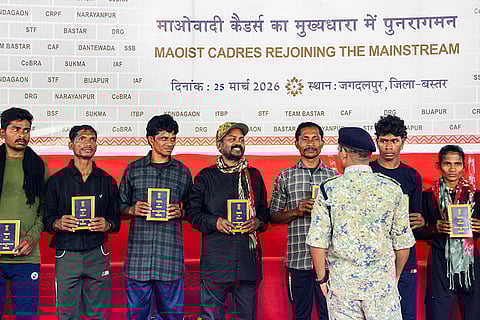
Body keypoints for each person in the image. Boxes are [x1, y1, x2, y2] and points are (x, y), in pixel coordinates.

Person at [306, 127, 415, 320]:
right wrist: (394, 277)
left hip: (343, 288)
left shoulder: (329, 189)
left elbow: (317, 242)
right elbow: (403, 243)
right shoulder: (392, 188)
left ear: (343, 153)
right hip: (381, 287)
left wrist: (322, 279)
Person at [187, 122, 269, 320]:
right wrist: (215, 222)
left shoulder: (254, 176)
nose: (237, 143)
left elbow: (266, 213)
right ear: (219, 145)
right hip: (216, 262)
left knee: (247, 316)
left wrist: (257, 223)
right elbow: (191, 213)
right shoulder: (205, 177)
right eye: (232, 139)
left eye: (241, 139)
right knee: (211, 317)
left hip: (247, 262)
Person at [119, 114, 192, 320]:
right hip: (138, 261)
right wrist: (132, 210)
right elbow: (119, 207)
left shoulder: (183, 172)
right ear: (150, 140)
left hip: (170, 260)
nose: (170, 143)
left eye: (173, 138)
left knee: (173, 317)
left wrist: (181, 212)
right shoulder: (133, 170)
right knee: (136, 316)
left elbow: (193, 210)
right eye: (164, 138)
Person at [43, 125, 120, 320]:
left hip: (97, 251)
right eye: (82, 139)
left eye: (93, 139)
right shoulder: (56, 181)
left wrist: (107, 225)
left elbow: (116, 219)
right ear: (71, 144)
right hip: (67, 252)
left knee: (98, 313)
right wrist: (58, 223)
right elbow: (46, 219)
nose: (88, 143)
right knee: (67, 313)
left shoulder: (107, 181)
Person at [270, 122, 335, 320]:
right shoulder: (285, 176)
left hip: (329, 261)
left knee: (330, 314)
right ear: (296, 143)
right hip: (298, 259)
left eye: (315, 138)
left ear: (323, 143)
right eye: (305, 139)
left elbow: (345, 218)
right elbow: (273, 216)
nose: (310, 143)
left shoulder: (335, 177)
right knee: (300, 314)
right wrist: (296, 211)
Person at [369, 115, 424, 320]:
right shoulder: (368, 172)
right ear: (377, 141)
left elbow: (418, 218)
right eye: (384, 141)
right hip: (374, 256)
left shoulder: (412, 176)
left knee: (406, 312)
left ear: (403, 141)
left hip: (405, 254)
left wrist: (421, 221)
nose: (389, 147)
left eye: (394, 141)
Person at [422, 145, 480, 320]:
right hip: (441, 260)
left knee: (474, 311)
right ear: (439, 165)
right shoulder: (427, 196)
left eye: (457, 164)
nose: (452, 169)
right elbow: (416, 231)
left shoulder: (476, 197)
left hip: (470, 262)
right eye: (447, 164)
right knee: (438, 311)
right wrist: (434, 227)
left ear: (464, 166)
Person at [0, 108, 45, 319]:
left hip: (27, 257)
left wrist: (32, 237)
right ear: (2, 133)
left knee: (26, 316)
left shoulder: (40, 166)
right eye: (15, 129)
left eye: (26, 130)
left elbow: (46, 210)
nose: (21, 135)